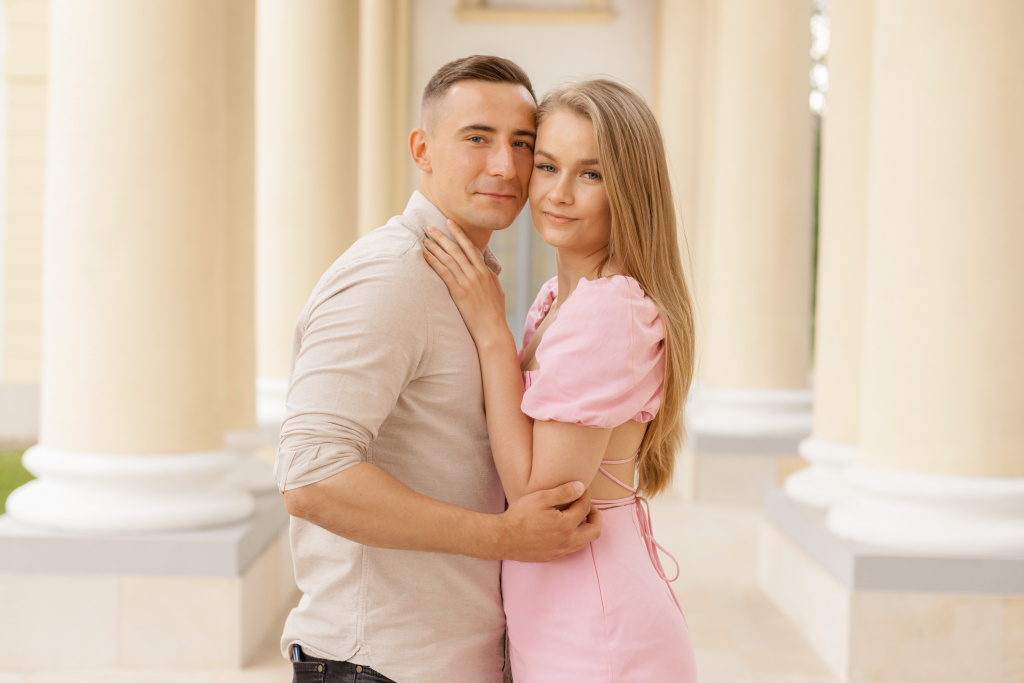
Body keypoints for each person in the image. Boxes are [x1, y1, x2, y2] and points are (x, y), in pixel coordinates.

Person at [274, 56, 602, 683]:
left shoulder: (466, 280)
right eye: (477, 138)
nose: (504, 166)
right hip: (378, 668)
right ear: (422, 150)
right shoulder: (391, 276)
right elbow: (311, 476)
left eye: (522, 143)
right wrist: (506, 536)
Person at [423, 78, 699, 681]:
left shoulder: (608, 311)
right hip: (560, 607)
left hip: (595, 625)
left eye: (590, 174)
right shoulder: (559, 299)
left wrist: (491, 332)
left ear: (628, 188)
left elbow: (537, 497)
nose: (559, 193)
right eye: (547, 166)